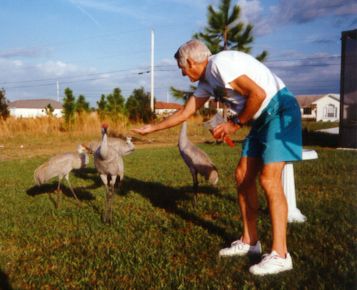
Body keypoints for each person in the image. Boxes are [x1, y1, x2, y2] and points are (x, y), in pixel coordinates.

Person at [132, 39, 302, 276]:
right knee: (242, 175)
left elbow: (258, 94)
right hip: (262, 118)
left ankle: (281, 255)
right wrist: (153, 128)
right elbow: (186, 111)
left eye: (182, 69)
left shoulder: (220, 65)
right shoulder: (207, 82)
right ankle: (250, 240)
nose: (183, 74)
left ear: (191, 62)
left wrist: (234, 124)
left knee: (269, 179)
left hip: (281, 109)